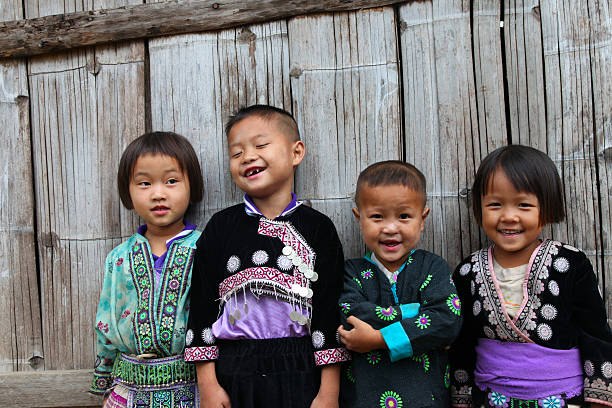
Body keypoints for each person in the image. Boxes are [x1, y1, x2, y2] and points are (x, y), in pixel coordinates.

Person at [185, 105, 348, 408]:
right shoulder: (221, 228)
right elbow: (202, 307)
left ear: (296, 152)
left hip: (301, 368)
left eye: (260, 145)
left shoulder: (318, 229)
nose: (248, 156)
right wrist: (207, 384)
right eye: (236, 153)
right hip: (233, 370)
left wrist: (329, 391)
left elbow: (328, 311)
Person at [449, 145, 612, 408]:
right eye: (495, 204)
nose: (509, 216)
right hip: (490, 397)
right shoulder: (468, 271)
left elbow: (594, 333)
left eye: (524, 205)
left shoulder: (570, 264)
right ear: (479, 208)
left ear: (546, 208)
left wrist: (600, 400)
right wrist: (462, 397)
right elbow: (463, 342)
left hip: (563, 398)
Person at [90, 132, 204, 408]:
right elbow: (106, 320)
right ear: (127, 192)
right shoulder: (118, 259)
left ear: (193, 187)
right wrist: (103, 382)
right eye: (144, 183)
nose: (158, 193)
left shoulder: (206, 249)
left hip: (193, 391)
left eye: (172, 181)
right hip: (127, 390)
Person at [337, 160, 463, 407]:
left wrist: (377, 340)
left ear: (422, 218)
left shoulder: (432, 267)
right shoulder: (351, 272)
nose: (390, 228)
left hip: (426, 399)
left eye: (404, 216)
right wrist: (417, 312)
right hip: (365, 398)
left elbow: (448, 320)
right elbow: (350, 314)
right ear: (359, 217)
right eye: (377, 216)